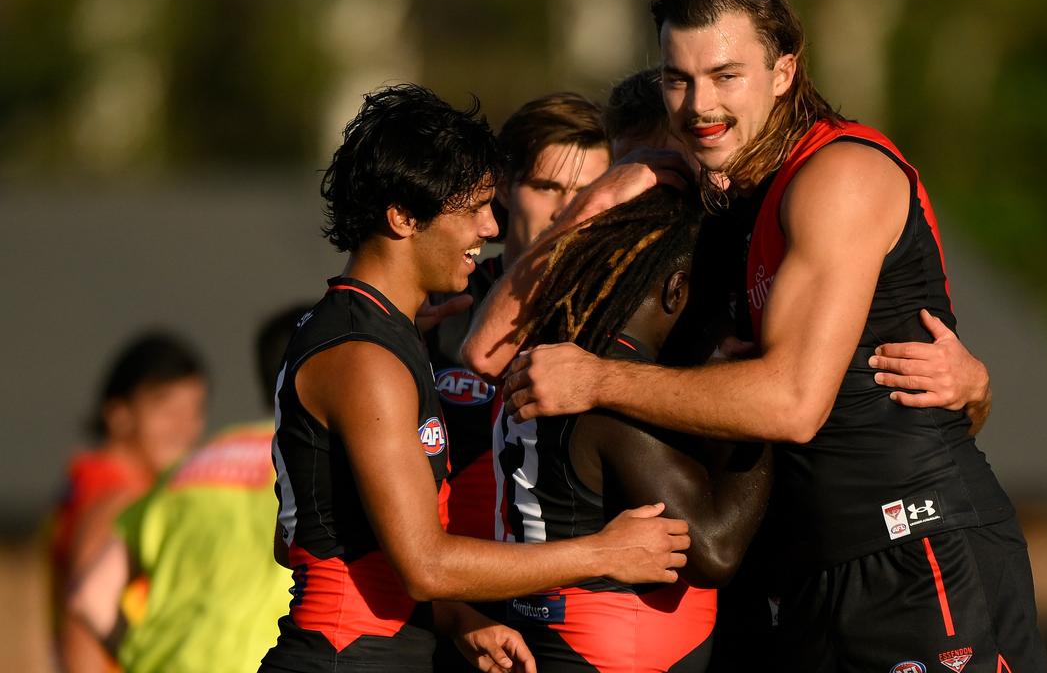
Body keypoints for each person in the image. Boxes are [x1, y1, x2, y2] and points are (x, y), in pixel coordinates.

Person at [473, 0, 1046, 673]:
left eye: (725, 76)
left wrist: (598, 382)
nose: (698, 104)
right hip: (807, 578)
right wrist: (596, 204)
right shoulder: (719, 188)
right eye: (677, 79)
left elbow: (793, 404)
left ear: (784, 72)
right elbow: (487, 348)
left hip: (914, 555)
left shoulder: (838, 175)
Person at [260, 83, 689, 673]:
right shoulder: (365, 355)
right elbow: (425, 565)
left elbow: (307, 540)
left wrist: (456, 616)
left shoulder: (379, 330)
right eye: (471, 209)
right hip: (349, 657)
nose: (489, 227)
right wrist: (603, 552)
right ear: (403, 216)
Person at [497, 185, 770, 673]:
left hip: (550, 632)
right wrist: (761, 409)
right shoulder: (612, 391)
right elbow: (714, 551)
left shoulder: (551, 358)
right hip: (610, 649)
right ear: (676, 290)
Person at [422, 92, 611, 673]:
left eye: (587, 195)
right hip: (445, 603)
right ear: (503, 187)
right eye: (549, 189)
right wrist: (455, 611)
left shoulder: (626, 316)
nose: (568, 211)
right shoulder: (441, 304)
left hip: (576, 615)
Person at [65, 305, 308, 673]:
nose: (183, 428)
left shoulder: (186, 470)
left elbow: (90, 598)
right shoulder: (310, 462)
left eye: (193, 410)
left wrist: (146, 661)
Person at [52, 332, 207, 673]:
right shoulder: (117, 497)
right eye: (167, 409)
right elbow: (83, 626)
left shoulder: (87, 482)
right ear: (119, 413)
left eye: (194, 410)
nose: (185, 428)